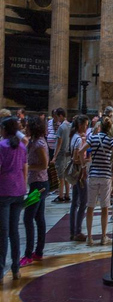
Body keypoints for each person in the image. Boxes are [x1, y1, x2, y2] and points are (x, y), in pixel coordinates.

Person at [0, 117, 27, 280]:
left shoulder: (1, 146)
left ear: (4, 129)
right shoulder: (21, 146)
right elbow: (24, 168)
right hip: (19, 190)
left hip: (4, 191)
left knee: (2, 233)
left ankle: (1, 271)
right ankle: (16, 269)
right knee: (14, 231)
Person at [20, 116, 49, 266]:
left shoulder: (39, 144)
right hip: (36, 183)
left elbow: (44, 165)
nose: (26, 129)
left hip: (39, 184)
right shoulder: (33, 142)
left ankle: (29, 254)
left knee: (28, 218)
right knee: (38, 218)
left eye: (28, 127)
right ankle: (38, 252)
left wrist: (27, 168)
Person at [85, 117, 113, 246]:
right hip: (105, 175)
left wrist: (83, 165)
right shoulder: (111, 140)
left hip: (93, 174)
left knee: (90, 207)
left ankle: (89, 237)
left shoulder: (92, 138)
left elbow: (82, 150)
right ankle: (104, 236)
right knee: (105, 207)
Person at [68, 115, 89, 241]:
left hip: (75, 173)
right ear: (80, 125)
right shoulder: (78, 139)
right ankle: (78, 231)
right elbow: (76, 158)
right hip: (79, 173)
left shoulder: (74, 137)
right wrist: (86, 161)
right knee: (83, 202)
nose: (86, 128)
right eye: (86, 125)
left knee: (74, 203)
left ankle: (73, 231)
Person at [51, 110, 72, 203]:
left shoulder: (61, 127)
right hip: (68, 154)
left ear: (60, 116)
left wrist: (54, 156)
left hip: (62, 154)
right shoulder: (70, 126)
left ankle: (60, 196)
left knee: (61, 176)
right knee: (66, 175)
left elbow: (59, 143)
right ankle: (67, 194)